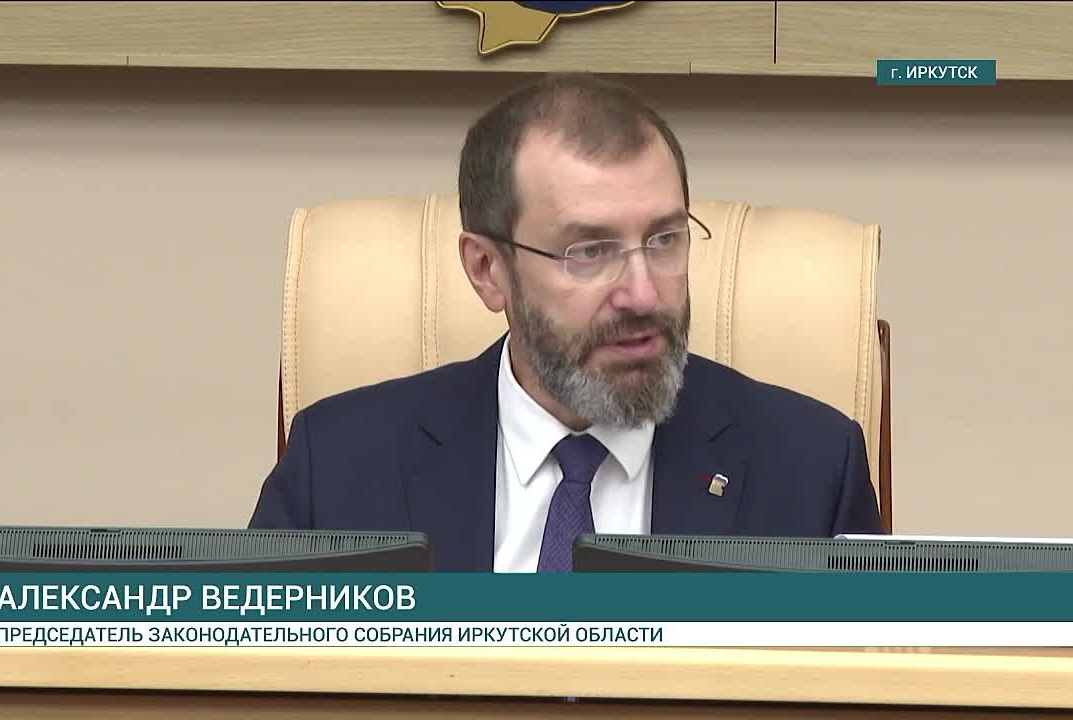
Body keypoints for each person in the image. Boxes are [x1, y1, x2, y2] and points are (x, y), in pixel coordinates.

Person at [249, 73, 882, 571]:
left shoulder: (812, 471)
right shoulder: (337, 467)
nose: (642, 294)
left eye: (665, 240)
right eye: (589, 251)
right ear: (487, 269)